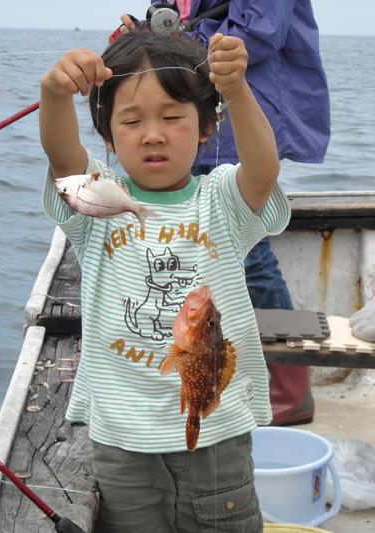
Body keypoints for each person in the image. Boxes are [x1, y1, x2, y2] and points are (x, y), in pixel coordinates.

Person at [40, 29, 290, 532]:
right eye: (131, 121)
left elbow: (262, 174)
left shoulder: (221, 200)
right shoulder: (100, 202)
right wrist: (54, 95)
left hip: (217, 433)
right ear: (108, 138)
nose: (152, 133)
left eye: (173, 117)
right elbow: (65, 159)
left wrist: (236, 90)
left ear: (205, 126)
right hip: (122, 436)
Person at [119, 0, 331, 426]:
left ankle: (288, 388)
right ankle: (210, 379)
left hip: (240, 116)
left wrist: (167, 47)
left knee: (250, 254)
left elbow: (260, 33)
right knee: (210, 247)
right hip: (201, 110)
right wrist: (147, 39)